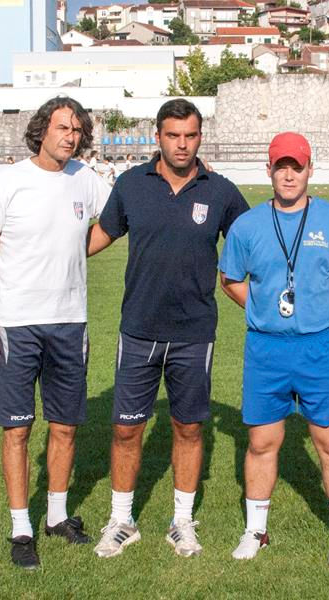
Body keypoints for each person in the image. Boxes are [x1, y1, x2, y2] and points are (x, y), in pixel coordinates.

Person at [86, 98, 249, 559]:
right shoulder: (131, 184)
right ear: (157, 136)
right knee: (126, 430)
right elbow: (101, 235)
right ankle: (121, 520)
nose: (181, 144)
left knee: (189, 428)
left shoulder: (220, 191)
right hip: (138, 328)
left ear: (200, 137)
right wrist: (46, 250)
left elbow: (252, 240)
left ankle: (181, 521)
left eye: (190, 136)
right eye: (173, 135)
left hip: (194, 332)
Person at [219, 132, 329, 566]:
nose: (289, 175)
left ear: (310, 170)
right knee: (261, 441)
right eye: (281, 167)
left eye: (297, 167)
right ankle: (255, 531)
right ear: (268, 170)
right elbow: (229, 279)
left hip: (320, 347)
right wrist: (261, 309)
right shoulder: (247, 225)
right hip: (266, 348)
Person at [0, 96, 111, 570]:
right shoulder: (9, 181)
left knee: (65, 426)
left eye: (77, 130)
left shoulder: (86, 179)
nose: (71, 137)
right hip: (15, 324)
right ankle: (20, 528)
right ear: (42, 130)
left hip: (70, 322)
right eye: (62, 128)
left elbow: (116, 221)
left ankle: (56, 516)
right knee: (17, 429)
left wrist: (72, 250)